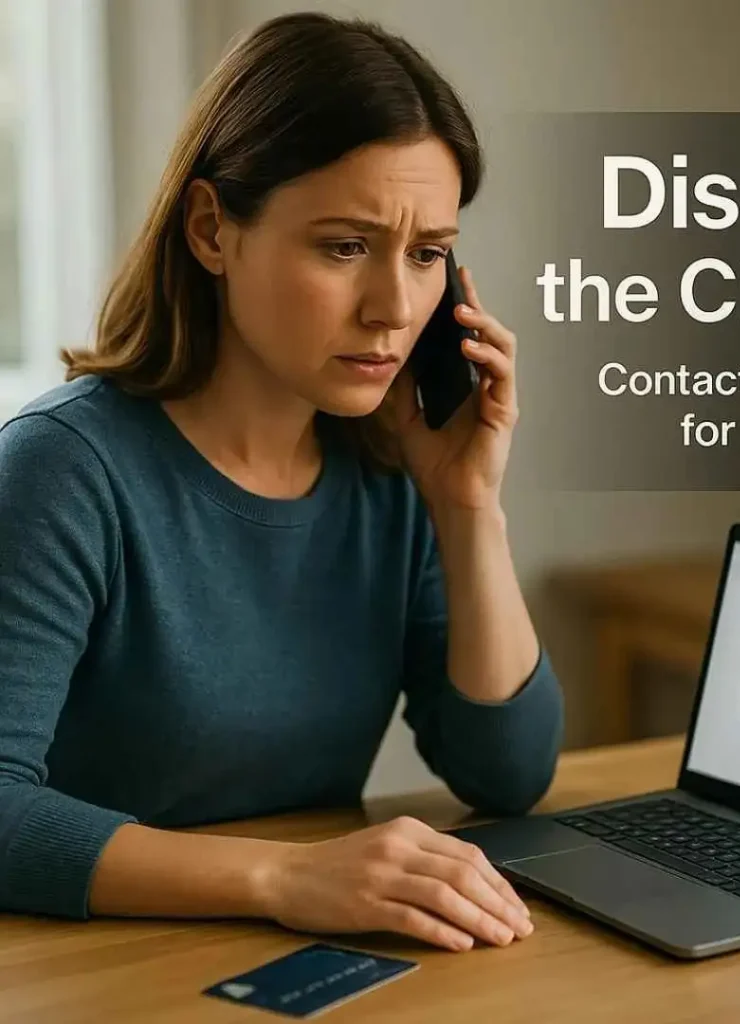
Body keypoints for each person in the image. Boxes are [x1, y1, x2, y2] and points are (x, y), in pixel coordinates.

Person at [0, 13, 564, 954]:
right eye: (344, 246)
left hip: (314, 957)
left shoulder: (392, 472)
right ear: (213, 229)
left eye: (427, 254)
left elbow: (506, 774)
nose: (393, 308)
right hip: (97, 970)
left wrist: (469, 507)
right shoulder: (63, 471)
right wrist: (284, 875)